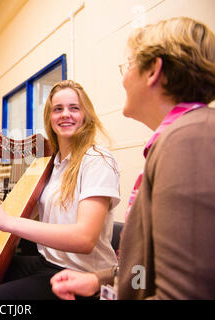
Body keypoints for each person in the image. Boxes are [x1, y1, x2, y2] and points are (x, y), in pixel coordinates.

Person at [51, 17, 215, 300]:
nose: (124, 78)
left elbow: (185, 293)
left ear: (153, 71)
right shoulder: (182, 135)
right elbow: (146, 269)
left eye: (128, 66)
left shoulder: (190, 139)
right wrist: (99, 279)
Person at [0, 80, 121, 299]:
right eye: (58, 109)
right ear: (49, 117)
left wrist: (7, 221)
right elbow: (24, 217)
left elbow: (84, 239)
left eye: (74, 108)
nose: (65, 114)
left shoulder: (98, 160)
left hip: (83, 275)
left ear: (86, 115)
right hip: (47, 263)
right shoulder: (53, 163)